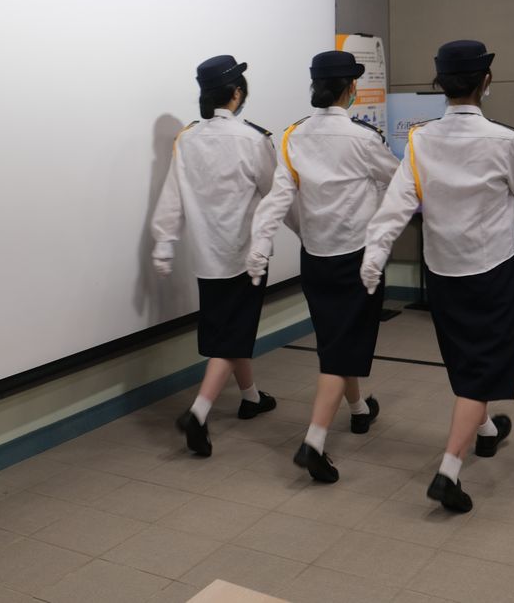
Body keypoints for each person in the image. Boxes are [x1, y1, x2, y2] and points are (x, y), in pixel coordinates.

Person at [360, 40, 514, 512]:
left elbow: (396, 205)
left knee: (466, 359)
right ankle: (449, 470)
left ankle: (486, 430)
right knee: (483, 368)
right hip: (491, 270)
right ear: (485, 82)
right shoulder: (504, 140)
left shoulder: (419, 139)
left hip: (442, 271)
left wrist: (374, 256)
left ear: (440, 85)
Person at [247, 50, 400, 483]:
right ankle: (313, 442)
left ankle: (359, 408)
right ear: (350, 89)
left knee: (335, 341)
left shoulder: (293, 135)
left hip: (314, 258)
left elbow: (279, 197)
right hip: (357, 258)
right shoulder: (364, 139)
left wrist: (260, 244)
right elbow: (401, 181)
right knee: (339, 350)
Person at [151, 55, 280, 457]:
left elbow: (172, 195)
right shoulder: (253, 140)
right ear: (237, 93)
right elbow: (277, 194)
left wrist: (164, 243)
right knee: (232, 335)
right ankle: (199, 412)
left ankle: (251, 397)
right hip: (246, 255)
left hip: (207, 256)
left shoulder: (188, 139)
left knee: (229, 329)